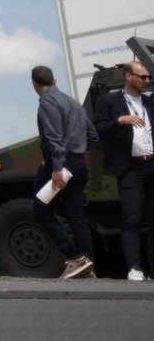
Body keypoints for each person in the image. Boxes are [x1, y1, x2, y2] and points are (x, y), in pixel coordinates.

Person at [32, 64, 96, 279]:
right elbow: (93, 136)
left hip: (60, 165)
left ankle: (76, 257)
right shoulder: (74, 104)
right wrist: (77, 152)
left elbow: (54, 138)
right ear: (54, 81)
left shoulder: (47, 103)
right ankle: (87, 265)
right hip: (79, 164)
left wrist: (58, 167)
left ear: (34, 84)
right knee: (76, 215)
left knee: (41, 208)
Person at [95, 59, 154, 281]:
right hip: (130, 167)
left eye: (149, 77)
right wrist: (120, 121)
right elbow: (97, 131)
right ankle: (134, 268)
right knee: (132, 218)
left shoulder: (150, 103)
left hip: (152, 164)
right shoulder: (109, 101)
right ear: (128, 77)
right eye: (143, 77)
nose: (147, 81)